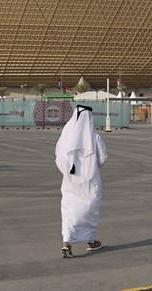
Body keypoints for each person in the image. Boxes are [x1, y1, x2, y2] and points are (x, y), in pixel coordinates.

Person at [55, 104, 108, 258]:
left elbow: (59, 157)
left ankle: (67, 242)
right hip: (90, 180)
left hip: (71, 181)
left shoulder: (66, 137)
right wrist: (92, 166)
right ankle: (90, 241)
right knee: (89, 211)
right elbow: (103, 158)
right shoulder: (95, 137)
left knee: (70, 211)